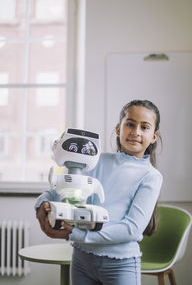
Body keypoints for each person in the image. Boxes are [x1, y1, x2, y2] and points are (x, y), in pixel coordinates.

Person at [35, 99, 163, 285]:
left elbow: (132, 229)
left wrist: (77, 235)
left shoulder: (151, 176)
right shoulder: (94, 160)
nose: (136, 132)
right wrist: (42, 202)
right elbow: (62, 191)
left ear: (153, 137)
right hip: (81, 259)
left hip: (120, 265)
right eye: (130, 124)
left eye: (144, 127)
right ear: (118, 129)